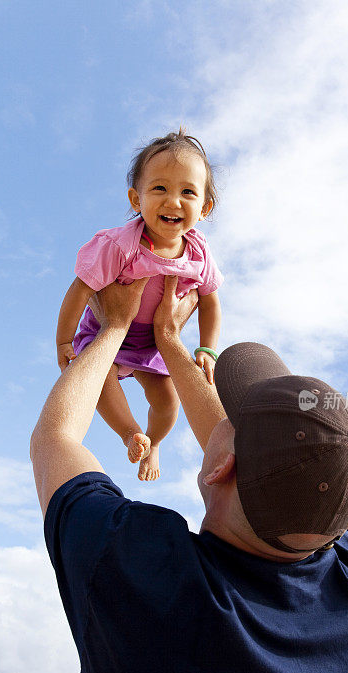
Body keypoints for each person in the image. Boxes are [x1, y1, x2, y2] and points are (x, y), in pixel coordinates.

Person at [31, 276, 348, 673]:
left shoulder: (140, 573)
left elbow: (55, 438)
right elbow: (260, 467)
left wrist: (114, 329)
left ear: (220, 463)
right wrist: (171, 343)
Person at [55, 129, 223, 482]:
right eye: (159, 188)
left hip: (151, 346)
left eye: (187, 192)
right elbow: (81, 288)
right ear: (136, 199)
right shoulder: (120, 246)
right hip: (105, 334)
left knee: (168, 403)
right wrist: (63, 340)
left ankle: (155, 441)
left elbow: (209, 302)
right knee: (98, 380)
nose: (173, 201)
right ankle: (130, 432)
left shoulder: (199, 253)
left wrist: (207, 348)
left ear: (205, 208)